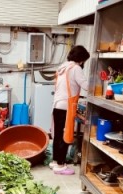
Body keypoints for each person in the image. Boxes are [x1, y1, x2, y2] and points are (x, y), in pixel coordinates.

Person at [50, 45, 90, 175]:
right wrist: (98, 86)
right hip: (66, 105)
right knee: (65, 134)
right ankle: (60, 166)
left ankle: (55, 161)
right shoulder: (76, 68)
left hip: (57, 104)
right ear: (81, 59)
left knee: (57, 134)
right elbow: (85, 85)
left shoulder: (63, 67)